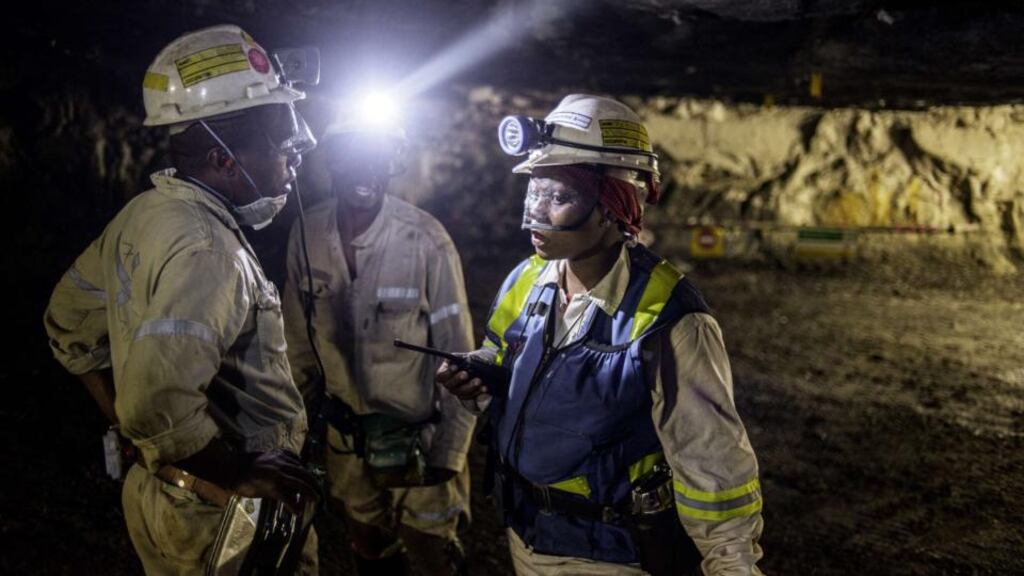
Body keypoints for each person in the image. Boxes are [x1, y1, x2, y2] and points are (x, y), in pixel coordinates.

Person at [438, 94, 765, 575]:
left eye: (559, 197)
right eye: (534, 192)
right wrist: (481, 372)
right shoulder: (527, 278)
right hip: (525, 534)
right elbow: (505, 357)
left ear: (615, 206)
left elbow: (711, 462)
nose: (536, 213)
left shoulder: (670, 320)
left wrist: (732, 565)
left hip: (610, 553)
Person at [43, 24, 320, 575]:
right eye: (280, 145)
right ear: (223, 160)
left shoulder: (146, 214)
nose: (295, 161)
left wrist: (139, 437)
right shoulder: (207, 250)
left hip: (170, 494)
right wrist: (233, 470)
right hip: (218, 516)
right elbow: (154, 403)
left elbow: (68, 324)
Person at [282, 113, 475, 575]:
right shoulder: (307, 233)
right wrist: (289, 437)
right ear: (331, 162)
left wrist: (451, 452)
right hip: (345, 440)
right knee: (368, 547)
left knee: (432, 551)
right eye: (352, 158)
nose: (364, 172)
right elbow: (295, 344)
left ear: (393, 163)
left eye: (377, 159)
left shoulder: (426, 240)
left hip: (419, 443)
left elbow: (461, 356)